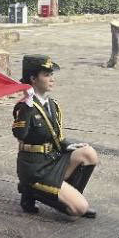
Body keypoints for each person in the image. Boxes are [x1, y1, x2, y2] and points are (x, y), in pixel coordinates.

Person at [12, 55, 99, 218]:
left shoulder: (53, 105)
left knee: (89, 153)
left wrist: (67, 145)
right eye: (46, 75)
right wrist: (29, 105)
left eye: (52, 75)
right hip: (35, 168)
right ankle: (29, 190)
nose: (52, 79)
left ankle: (71, 195)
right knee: (79, 209)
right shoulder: (24, 107)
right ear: (33, 79)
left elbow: (55, 135)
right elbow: (19, 134)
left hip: (52, 159)